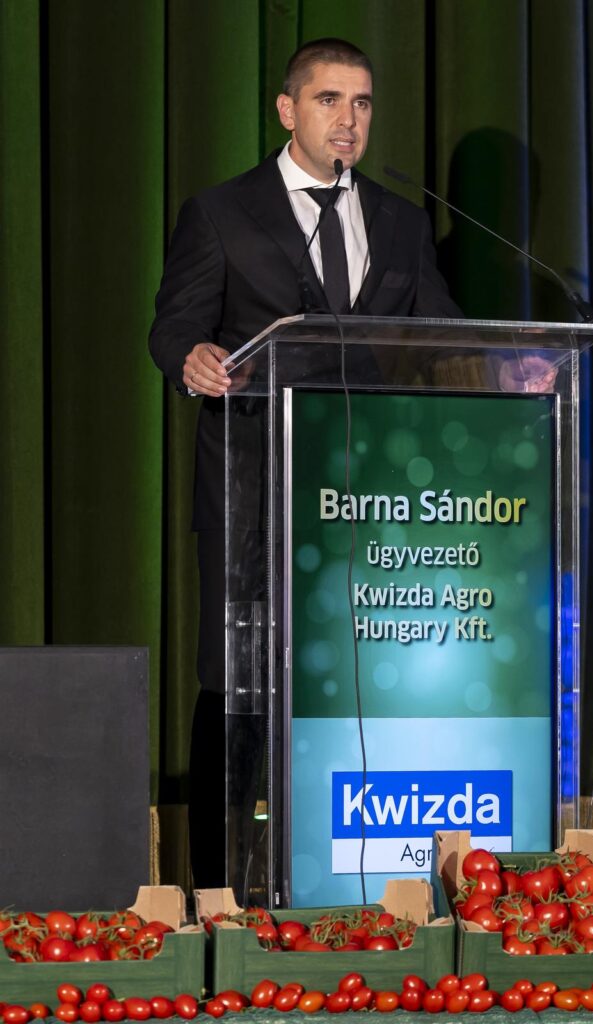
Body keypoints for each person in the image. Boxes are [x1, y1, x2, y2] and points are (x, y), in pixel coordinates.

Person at [149, 38, 461, 893]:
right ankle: (217, 891)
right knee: (239, 685)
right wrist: (193, 359)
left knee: (355, 682)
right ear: (287, 110)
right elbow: (175, 327)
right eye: (328, 100)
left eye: (361, 102)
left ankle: (356, 882)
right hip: (253, 491)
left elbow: (440, 337)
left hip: (371, 499)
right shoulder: (221, 212)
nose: (347, 119)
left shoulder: (399, 222)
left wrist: (507, 370)